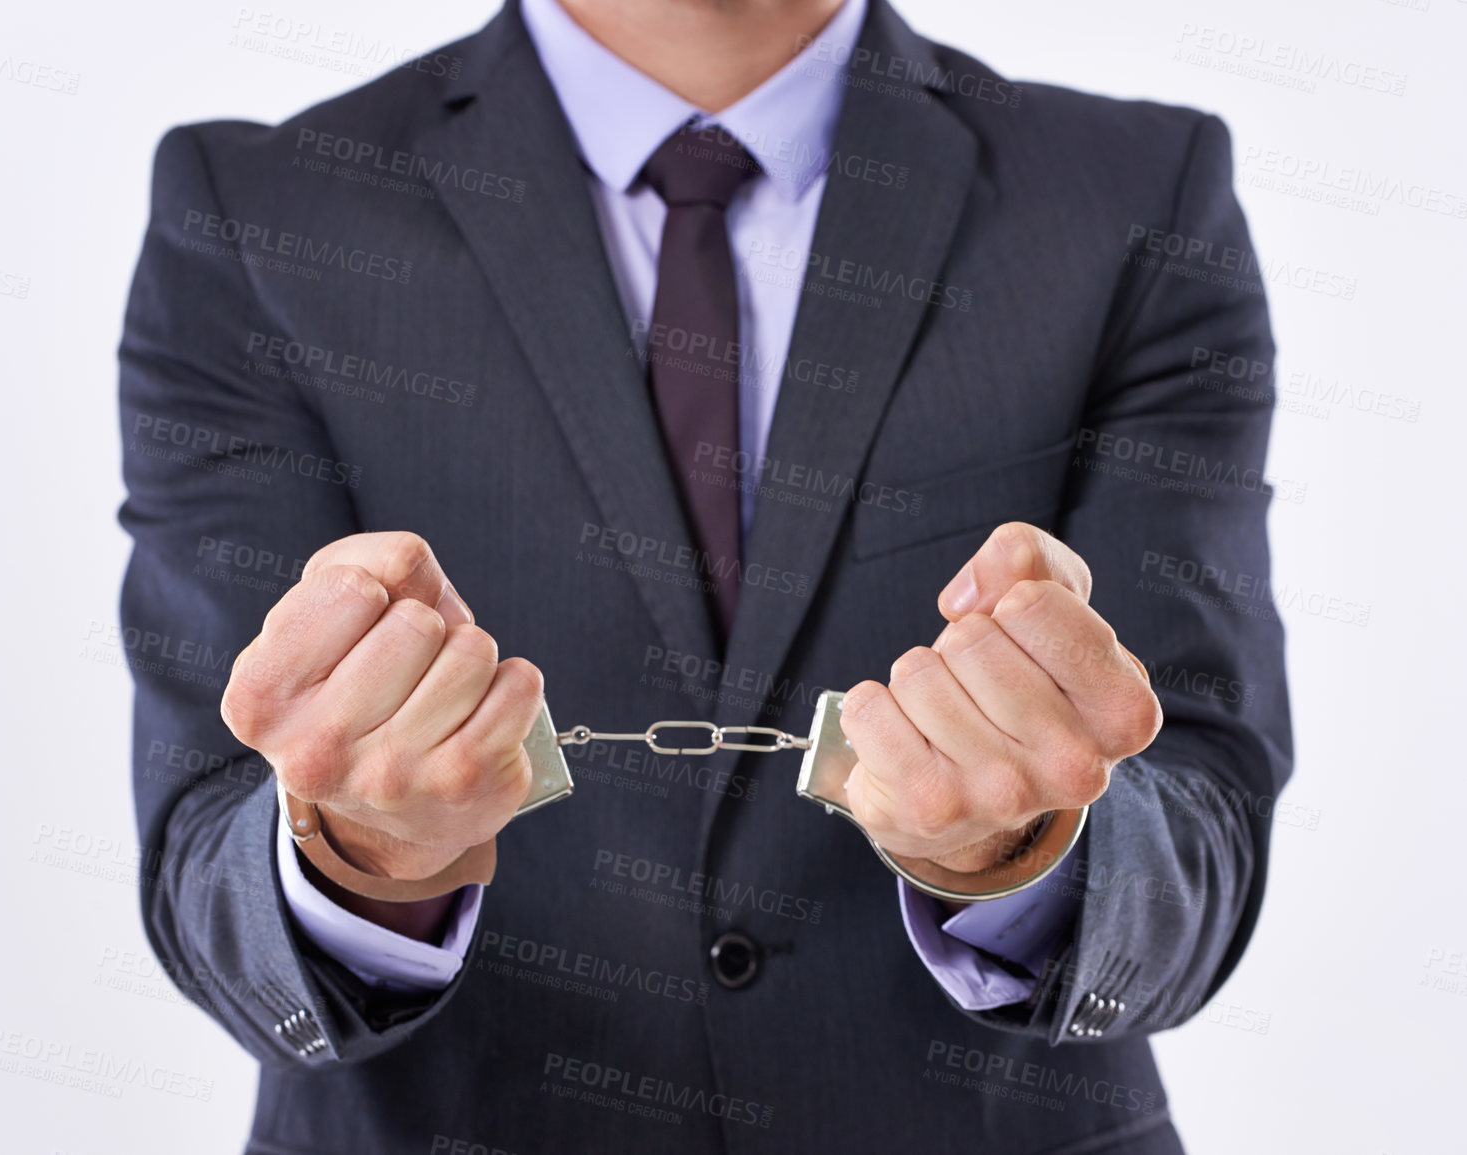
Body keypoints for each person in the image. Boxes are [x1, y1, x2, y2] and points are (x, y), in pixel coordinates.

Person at [117, 0, 1291, 1149]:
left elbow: (1202, 820)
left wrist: (1020, 857)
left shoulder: (1132, 197)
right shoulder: (257, 217)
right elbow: (204, 867)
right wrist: (367, 860)